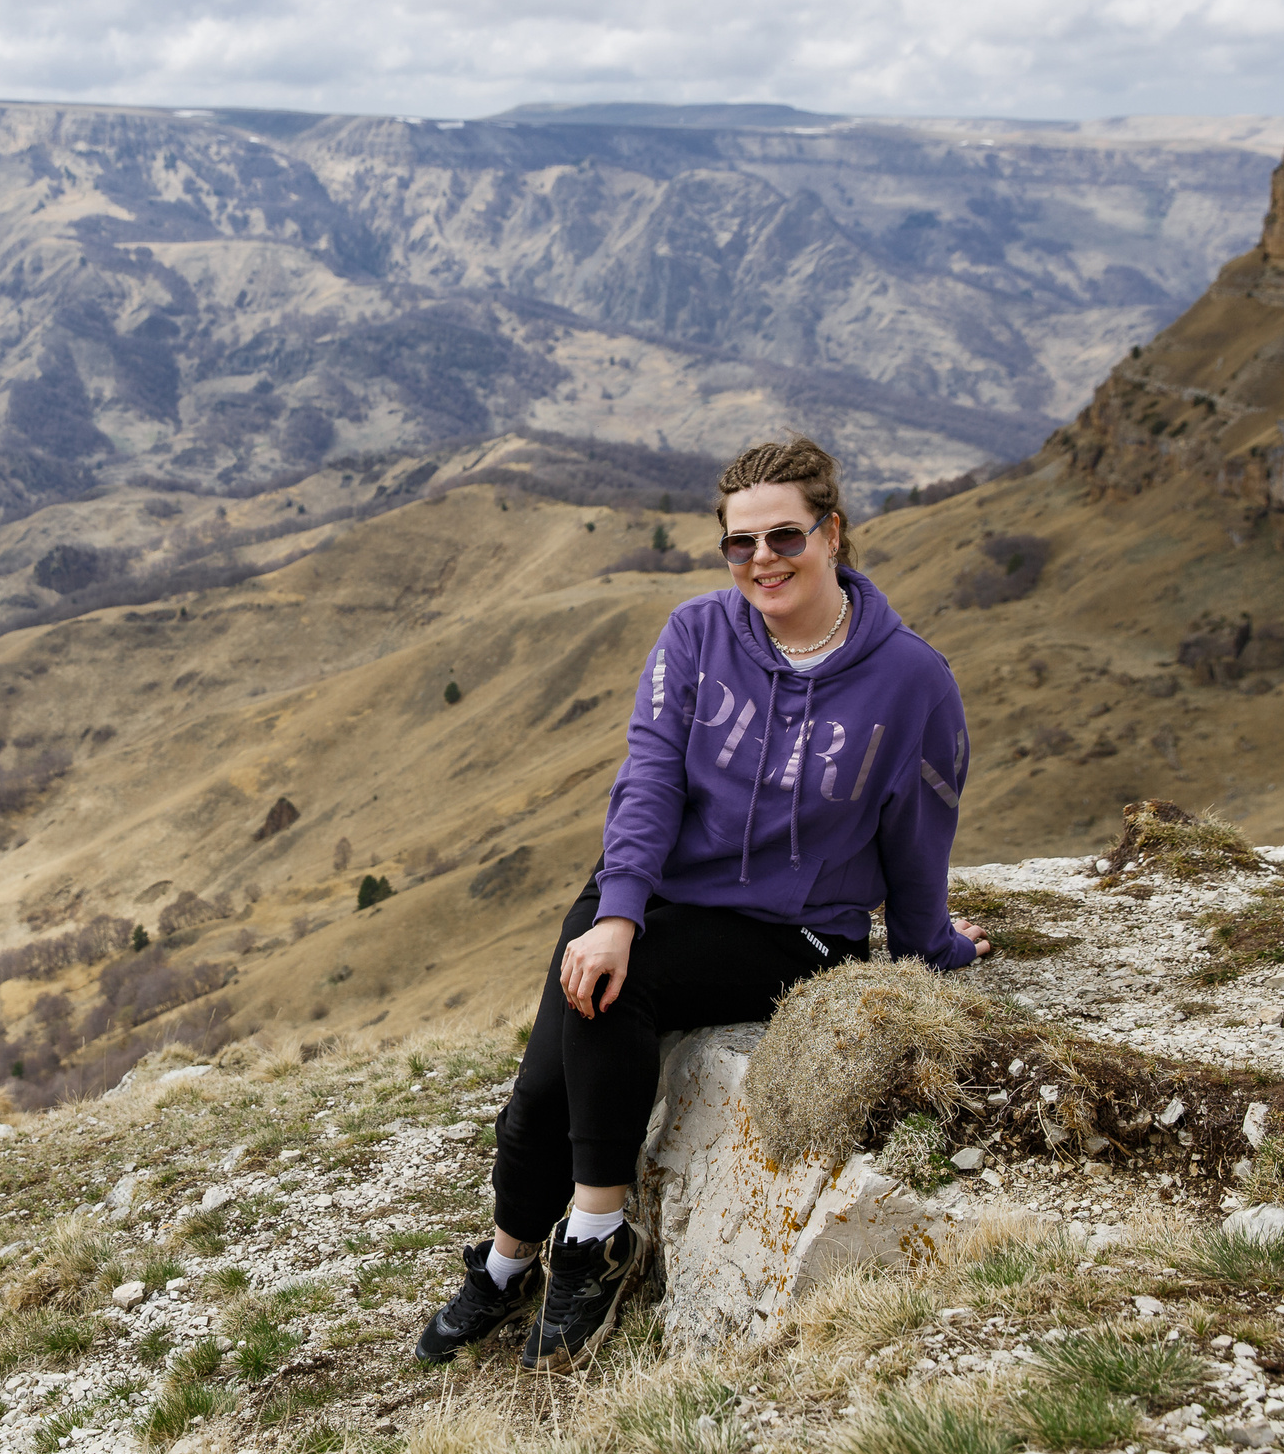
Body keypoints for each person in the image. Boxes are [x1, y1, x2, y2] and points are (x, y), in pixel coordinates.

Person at [414, 436, 991, 1372]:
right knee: (542, 1087)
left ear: (832, 532)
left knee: (617, 985)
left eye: (786, 536)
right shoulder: (696, 634)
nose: (763, 559)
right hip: (658, 895)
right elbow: (647, 778)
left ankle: (596, 1237)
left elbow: (919, 827)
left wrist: (934, 946)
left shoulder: (912, 679)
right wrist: (617, 906)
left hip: (792, 930)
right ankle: (508, 1259)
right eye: (740, 543)